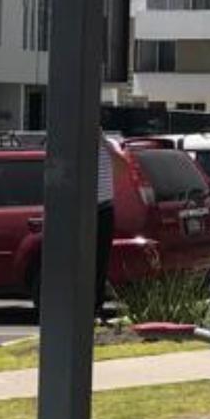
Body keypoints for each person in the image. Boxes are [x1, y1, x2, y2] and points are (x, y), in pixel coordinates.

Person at [94, 133, 115, 320]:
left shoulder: (108, 144)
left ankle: (96, 308)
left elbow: (121, 165)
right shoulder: (77, 144)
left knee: (101, 261)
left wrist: (103, 141)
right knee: (84, 262)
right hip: (83, 209)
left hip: (104, 208)